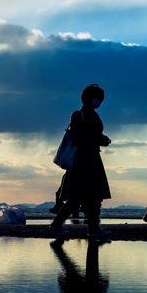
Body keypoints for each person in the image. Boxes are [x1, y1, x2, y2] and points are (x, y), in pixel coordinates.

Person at [49, 84, 112, 237]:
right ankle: (59, 225)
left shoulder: (94, 115)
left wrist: (101, 139)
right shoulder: (79, 115)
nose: (100, 102)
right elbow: (78, 137)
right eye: (98, 98)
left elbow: (89, 135)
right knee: (77, 197)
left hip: (92, 159)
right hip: (81, 161)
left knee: (94, 197)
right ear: (89, 98)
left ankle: (93, 229)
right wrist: (99, 139)